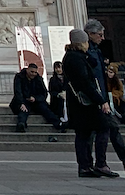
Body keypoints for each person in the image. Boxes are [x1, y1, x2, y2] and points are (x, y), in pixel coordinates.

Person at [63, 24, 118, 178]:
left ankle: (86, 166)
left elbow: (93, 64)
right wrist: (101, 101)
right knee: (103, 127)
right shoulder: (75, 59)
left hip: (79, 103)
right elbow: (85, 83)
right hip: (84, 104)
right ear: (82, 42)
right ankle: (100, 164)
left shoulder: (76, 56)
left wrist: (88, 56)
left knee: (84, 134)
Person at [10, 62, 63, 134]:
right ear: (27, 70)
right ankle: (21, 124)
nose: (33, 74)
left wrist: (35, 98)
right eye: (32, 72)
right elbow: (17, 91)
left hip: (36, 101)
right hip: (23, 100)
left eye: (35, 72)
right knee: (24, 110)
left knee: (45, 110)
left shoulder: (38, 79)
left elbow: (44, 93)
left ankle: (58, 124)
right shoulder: (19, 77)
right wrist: (21, 102)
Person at [48, 60, 67, 124]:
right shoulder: (52, 80)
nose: (58, 70)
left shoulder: (67, 78)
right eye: (56, 68)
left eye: (59, 68)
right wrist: (59, 94)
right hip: (57, 99)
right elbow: (51, 91)